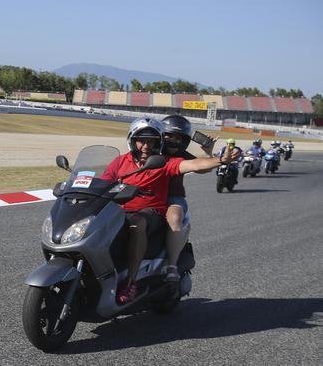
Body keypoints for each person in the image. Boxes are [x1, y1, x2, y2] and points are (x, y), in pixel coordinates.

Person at [101, 117, 241, 304]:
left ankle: (132, 282)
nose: (145, 146)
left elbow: (196, 165)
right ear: (132, 140)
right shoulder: (120, 161)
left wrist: (221, 159)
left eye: (151, 141)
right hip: (120, 209)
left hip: (151, 210)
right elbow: (102, 182)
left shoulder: (165, 162)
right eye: (141, 140)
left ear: (158, 142)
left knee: (139, 222)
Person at [161, 115, 217, 282]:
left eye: (178, 138)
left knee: (174, 218)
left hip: (173, 198)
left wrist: (208, 153)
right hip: (144, 196)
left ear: (184, 140)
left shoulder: (183, 155)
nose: (173, 141)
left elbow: (203, 168)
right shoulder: (149, 150)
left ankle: (172, 266)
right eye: (169, 136)